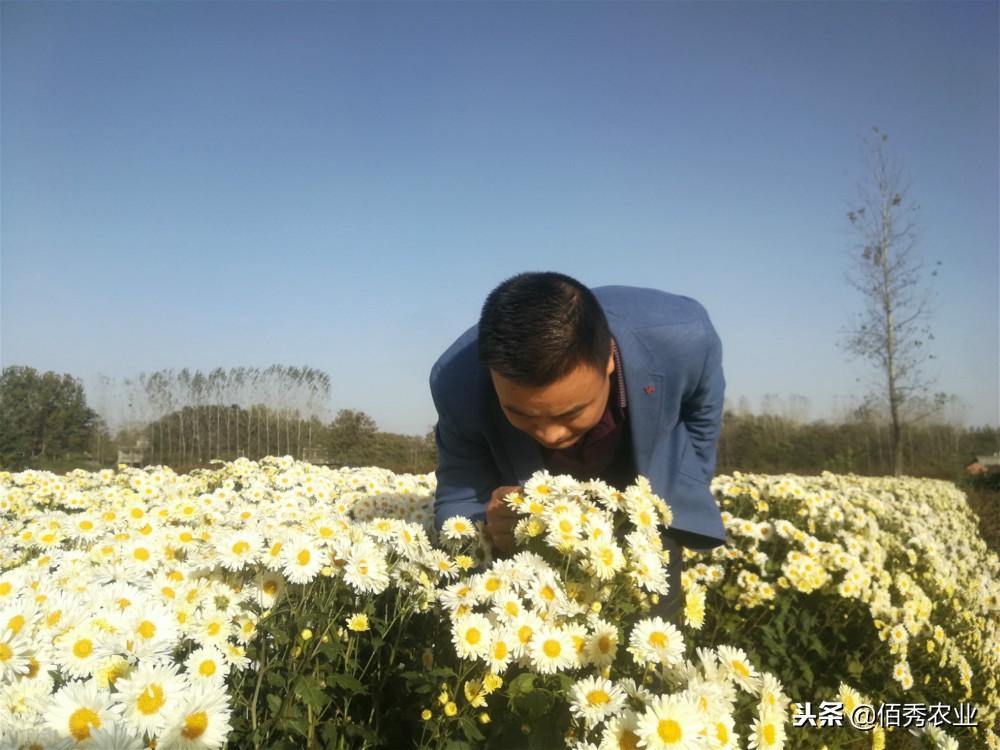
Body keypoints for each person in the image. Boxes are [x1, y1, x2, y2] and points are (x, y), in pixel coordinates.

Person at [429, 272, 726, 625]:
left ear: (608, 361)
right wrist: (489, 523)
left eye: (572, 412)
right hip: (534, 529)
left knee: (653, 638)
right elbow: (457, 501)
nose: (551, 435)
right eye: (520, 413)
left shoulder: (683, 338)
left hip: (640, 489)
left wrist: (683, 484)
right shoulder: (456, 383)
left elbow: (701, 414)